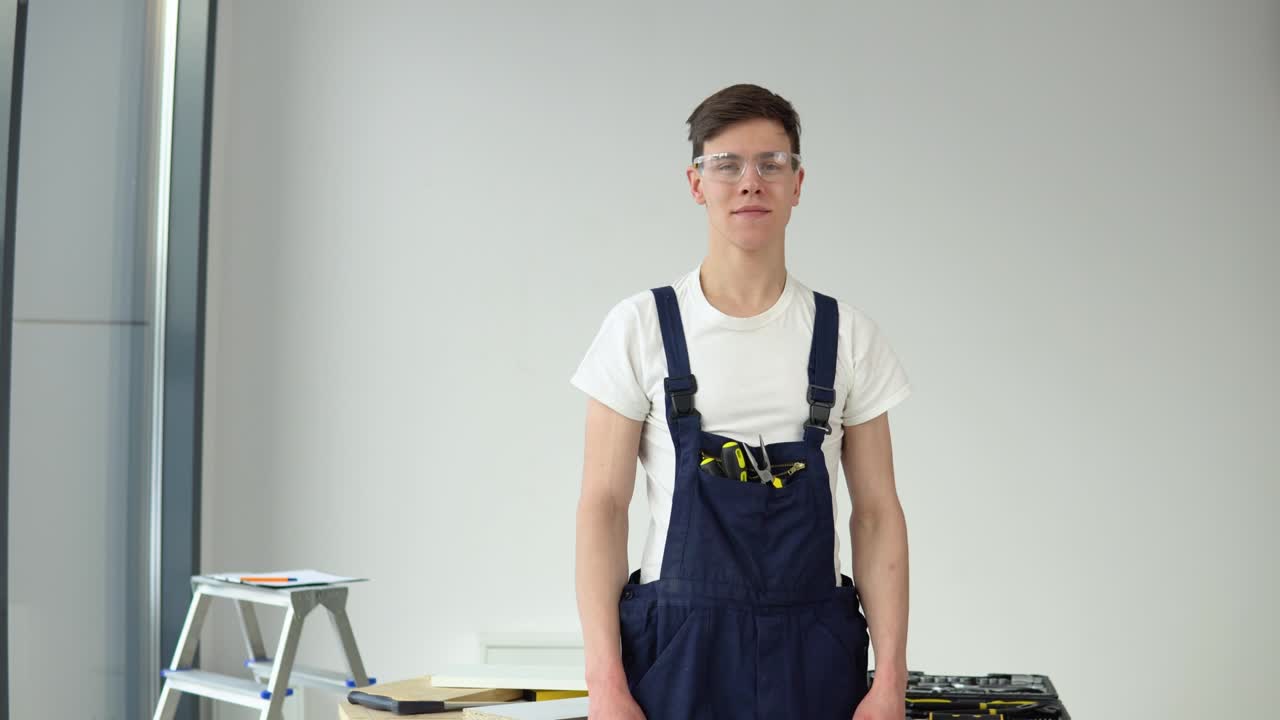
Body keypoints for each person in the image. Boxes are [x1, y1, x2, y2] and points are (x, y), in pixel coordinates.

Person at [571, 83, 911, 720]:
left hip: (814, 650)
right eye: (726, 164)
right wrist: (605, 684)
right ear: (696, 182)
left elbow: (877, 513)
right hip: (674, 650)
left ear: (798, 183)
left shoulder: (849, 336)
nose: (749, 182)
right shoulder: (641, 326)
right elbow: (603, 507)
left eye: (770, 164)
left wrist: (889, 680)